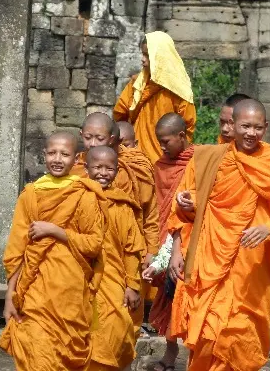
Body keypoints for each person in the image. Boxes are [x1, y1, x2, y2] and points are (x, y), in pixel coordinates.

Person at [167, 99, 270, 371]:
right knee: (209, 332)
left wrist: (268, 228)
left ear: (266, 128)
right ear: (233, 125)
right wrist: (189, 204)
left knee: (241, 334)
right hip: (209, 264)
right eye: (245, 126)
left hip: (250, 268)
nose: (250, 133)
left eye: (257, 128)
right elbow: (198, 206)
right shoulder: (211, 159)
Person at [0, 131, 104, 370]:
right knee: (35, 349)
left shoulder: (84, 195)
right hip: (35, 290)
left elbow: (94, 243)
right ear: (43, 155)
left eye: (65, 154)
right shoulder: (30, 195)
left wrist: (57, 231)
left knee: (66, 354)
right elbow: (17, 248)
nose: (58, 159)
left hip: (70, 293)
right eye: (53, 153)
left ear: (77, 158)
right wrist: (10, 296)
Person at [73, 112, 160, 337]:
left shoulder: (135, 167)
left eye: (99, 139)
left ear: (113, 139)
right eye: (88, 138)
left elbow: (149, 214)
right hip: (82, 257)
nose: (92, 144)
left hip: (125, 254)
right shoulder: (75, 167)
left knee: (122, 325)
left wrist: (151, 251)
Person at [141, 113, 195, 371]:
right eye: (159, 142)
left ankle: (197, 357)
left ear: (182, 136)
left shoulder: (197, 162)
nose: (162, 147)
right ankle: (171, 355)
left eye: (166, 141)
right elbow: (155, 207)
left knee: (192, 300)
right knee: (169, 299)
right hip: (164, 239)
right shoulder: (160, 166)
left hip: (190, 238)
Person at [84, 146, 145, 371]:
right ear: (86, 168)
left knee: (116, 326)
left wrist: (133, 285)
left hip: (113, 279)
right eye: (98, 167)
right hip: (81, 280)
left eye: (109, 168)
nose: (103, 173)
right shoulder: (77, 199)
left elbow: (132, 249)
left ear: (117, 171)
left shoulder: (122, 205)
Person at [113, 31, 196, 164]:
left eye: (147, 55)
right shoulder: (137, 84)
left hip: (167, 160)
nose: (143, 59)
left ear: (160, 57)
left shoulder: (180, 91)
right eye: (142, 54)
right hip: (134, 158)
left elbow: (186, 130)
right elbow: (120, 115)